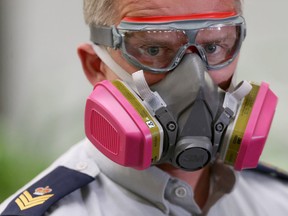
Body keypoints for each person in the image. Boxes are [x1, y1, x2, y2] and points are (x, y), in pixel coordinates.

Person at [1, 0, 288, 215]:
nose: (195, 76)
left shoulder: (277, 201)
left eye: (213, 47)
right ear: (96, 66)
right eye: (153, 50)